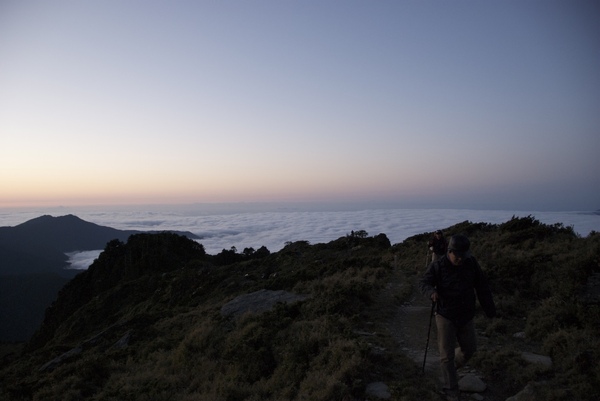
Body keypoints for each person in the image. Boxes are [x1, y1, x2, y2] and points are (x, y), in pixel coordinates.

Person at [419, 234, 496, 401]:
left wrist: (490, 310)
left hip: (466, 315)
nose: (461, 259)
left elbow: (482, 287)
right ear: (450, 251)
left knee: (470, 350)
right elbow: (424, 283)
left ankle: (450, 369)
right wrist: (431, 292)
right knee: (446, 355)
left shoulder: (471, 263)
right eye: (458, 256)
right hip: (445, 315)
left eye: (464, 256)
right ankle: (451, 389)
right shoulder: (438, 266)